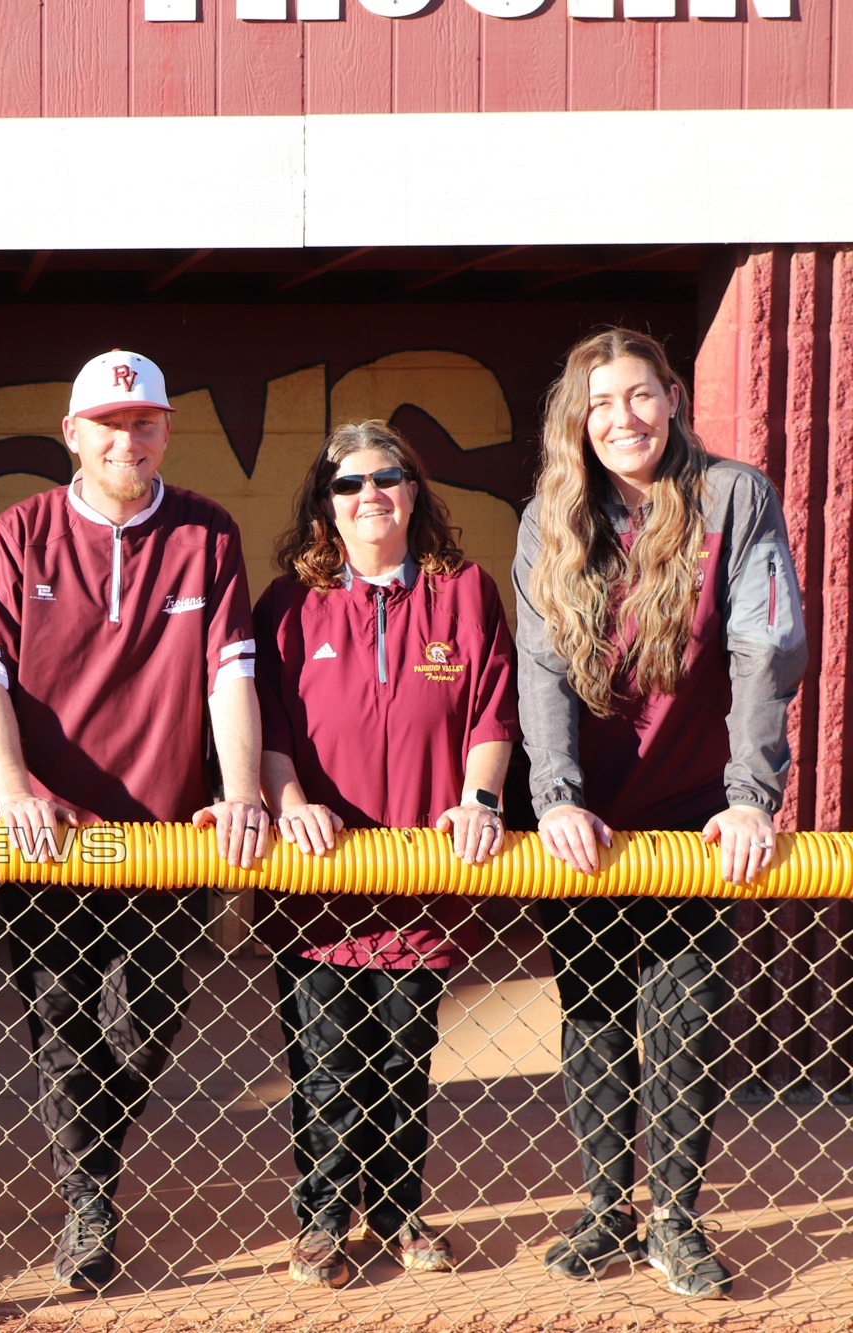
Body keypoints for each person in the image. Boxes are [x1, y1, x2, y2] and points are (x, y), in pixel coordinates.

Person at [0, 349, 269, 1292]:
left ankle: (88, 1160)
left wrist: (242, 788)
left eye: (142, 423)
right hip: (49, 838)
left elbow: (230, 675)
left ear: (166, 431)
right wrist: (13, 789)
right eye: (106, 424)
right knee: (61, 1023)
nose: (125, 439)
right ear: (72, 436)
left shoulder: (207, 532)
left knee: (142, 1027)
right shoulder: (21, 531)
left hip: (162, 838)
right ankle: (91, 1200)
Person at [515, 327, 806, 1300]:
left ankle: (674, 1217)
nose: (622, 418)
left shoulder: (732, 496)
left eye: (638, 395)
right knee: (594, 1011)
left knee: (682, 1015)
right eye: (599, 403)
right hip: (586, 821)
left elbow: (765, 648)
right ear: (578, 419)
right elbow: (541, 669)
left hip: (691, 812)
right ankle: (605, 1208)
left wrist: (749, 797)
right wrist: (555, 797)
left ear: (672, 397)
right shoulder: (550, 515)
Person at [253, 421, 518, 1289]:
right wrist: (291, 803)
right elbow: (268, 725)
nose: (369, 493)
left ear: (414, 490)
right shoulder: (287, 605)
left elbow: (492, 711)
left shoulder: (465, 593)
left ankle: (400, 1206)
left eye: (387, 477)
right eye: (348, 482)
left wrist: (480, 798)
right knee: (325, 1060)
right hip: (319, 881)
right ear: (324, 505)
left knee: (403, 1059)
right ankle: (325, 1214)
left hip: (420, 880)